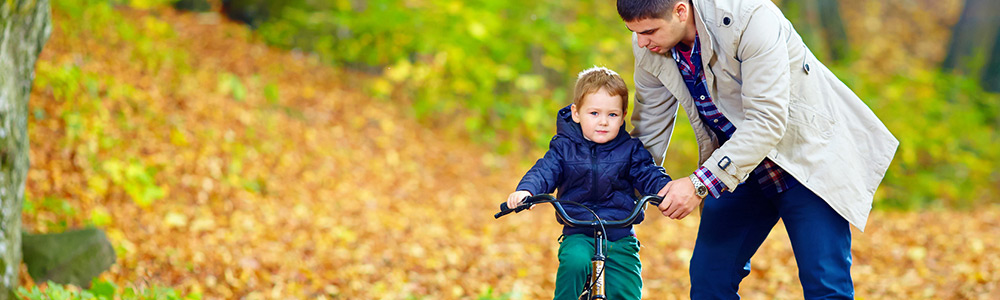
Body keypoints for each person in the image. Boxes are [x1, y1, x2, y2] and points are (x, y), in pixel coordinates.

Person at [614, 0, 899, 298]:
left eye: (649, 31)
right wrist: (614, 195)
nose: (642, 42)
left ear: (680, 11)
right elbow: (649, 129)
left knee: (826, 287)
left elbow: (767, 121)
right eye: (634, 32)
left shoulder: (751, 18)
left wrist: (697, 184)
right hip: (737, 171)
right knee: (709, 282)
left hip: (803, 161)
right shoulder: (648, 44)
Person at [507, 66, 672, 300]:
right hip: (578, 230)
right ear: (576, 113)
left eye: (612, 115)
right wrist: (527, 190)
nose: (603, 122)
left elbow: (647, 173)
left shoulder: (631, 150)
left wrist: (664, 189)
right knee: (574, 262)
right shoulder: (564, 148)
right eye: (594, 113)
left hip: (620, 233)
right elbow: (546, 170)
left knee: (627, 290)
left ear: (623, 116)